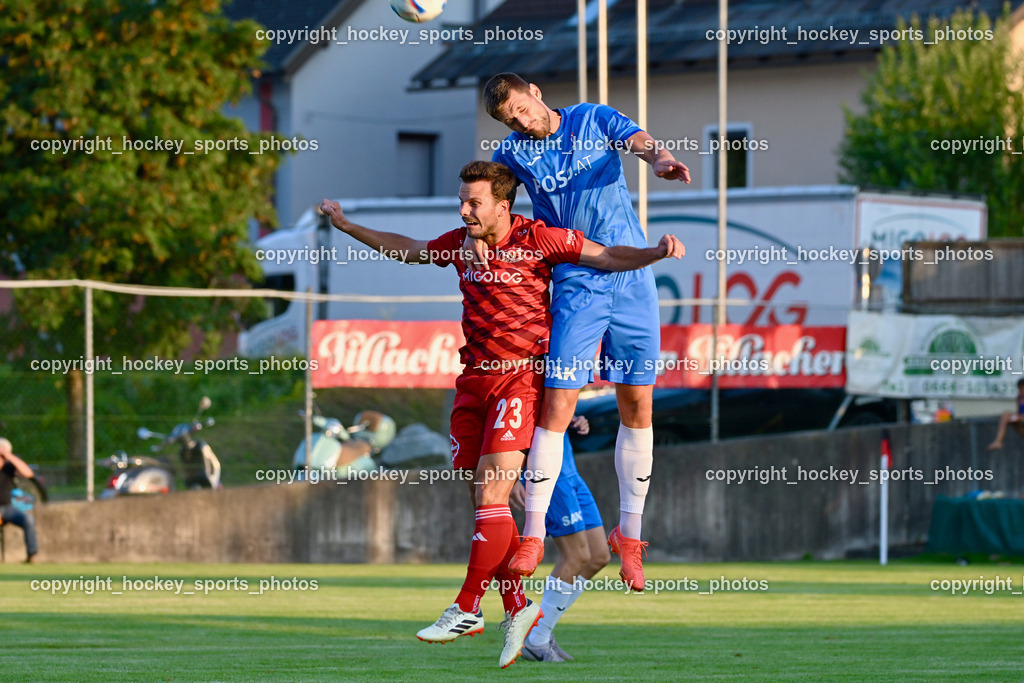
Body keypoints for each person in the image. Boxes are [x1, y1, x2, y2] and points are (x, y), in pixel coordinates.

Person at [320, 160, 682, 668]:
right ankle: (516, 608)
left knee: (500, 494)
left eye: (474, 203)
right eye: (462, 201)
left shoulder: (540, 239)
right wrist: (349, 226)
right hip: (473, 381)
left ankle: (467, 606)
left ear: (502, 206)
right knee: (483, 499)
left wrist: (654, 253)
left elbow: (604, 257)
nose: (465, 210)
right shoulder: (462, 244)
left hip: (521, 377)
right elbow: (413, 251)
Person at [478, 73, 691, 590]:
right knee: (559, 404)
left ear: (535, 91)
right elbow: (487, 201)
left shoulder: (591, 118)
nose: (522, 122)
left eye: (523, 110)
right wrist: (475, 235)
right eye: (511, 120)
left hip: (634, 277)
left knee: (637, 405)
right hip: (576, 279)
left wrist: (660, 159)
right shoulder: (513, 154)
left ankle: (631, 536)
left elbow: (639, 141)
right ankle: (532, 535)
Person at [510, 415, 609, 663]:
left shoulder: (559, 380)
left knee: (598, 556)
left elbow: (553, 409)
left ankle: (539, 633)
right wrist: (511, 476)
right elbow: (512, 424)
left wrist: (573, 419)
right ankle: (538, 638)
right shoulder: (526, 379)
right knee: (576, 556)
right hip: (548, 478)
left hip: (571, 474)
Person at [0, 437, 39, 563]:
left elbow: (28, 473)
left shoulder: (9, 467)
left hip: (8, 508)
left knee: (28, 520)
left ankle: (31, 555)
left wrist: (9, 455)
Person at [987, 379, 1024, 450]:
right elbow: (1019, 412)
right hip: (1021, 423)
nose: (1022, 392)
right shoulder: (1019, 398)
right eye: (1020, 390)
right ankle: (998, 441)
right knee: (1006, 414)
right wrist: (1016, 418)